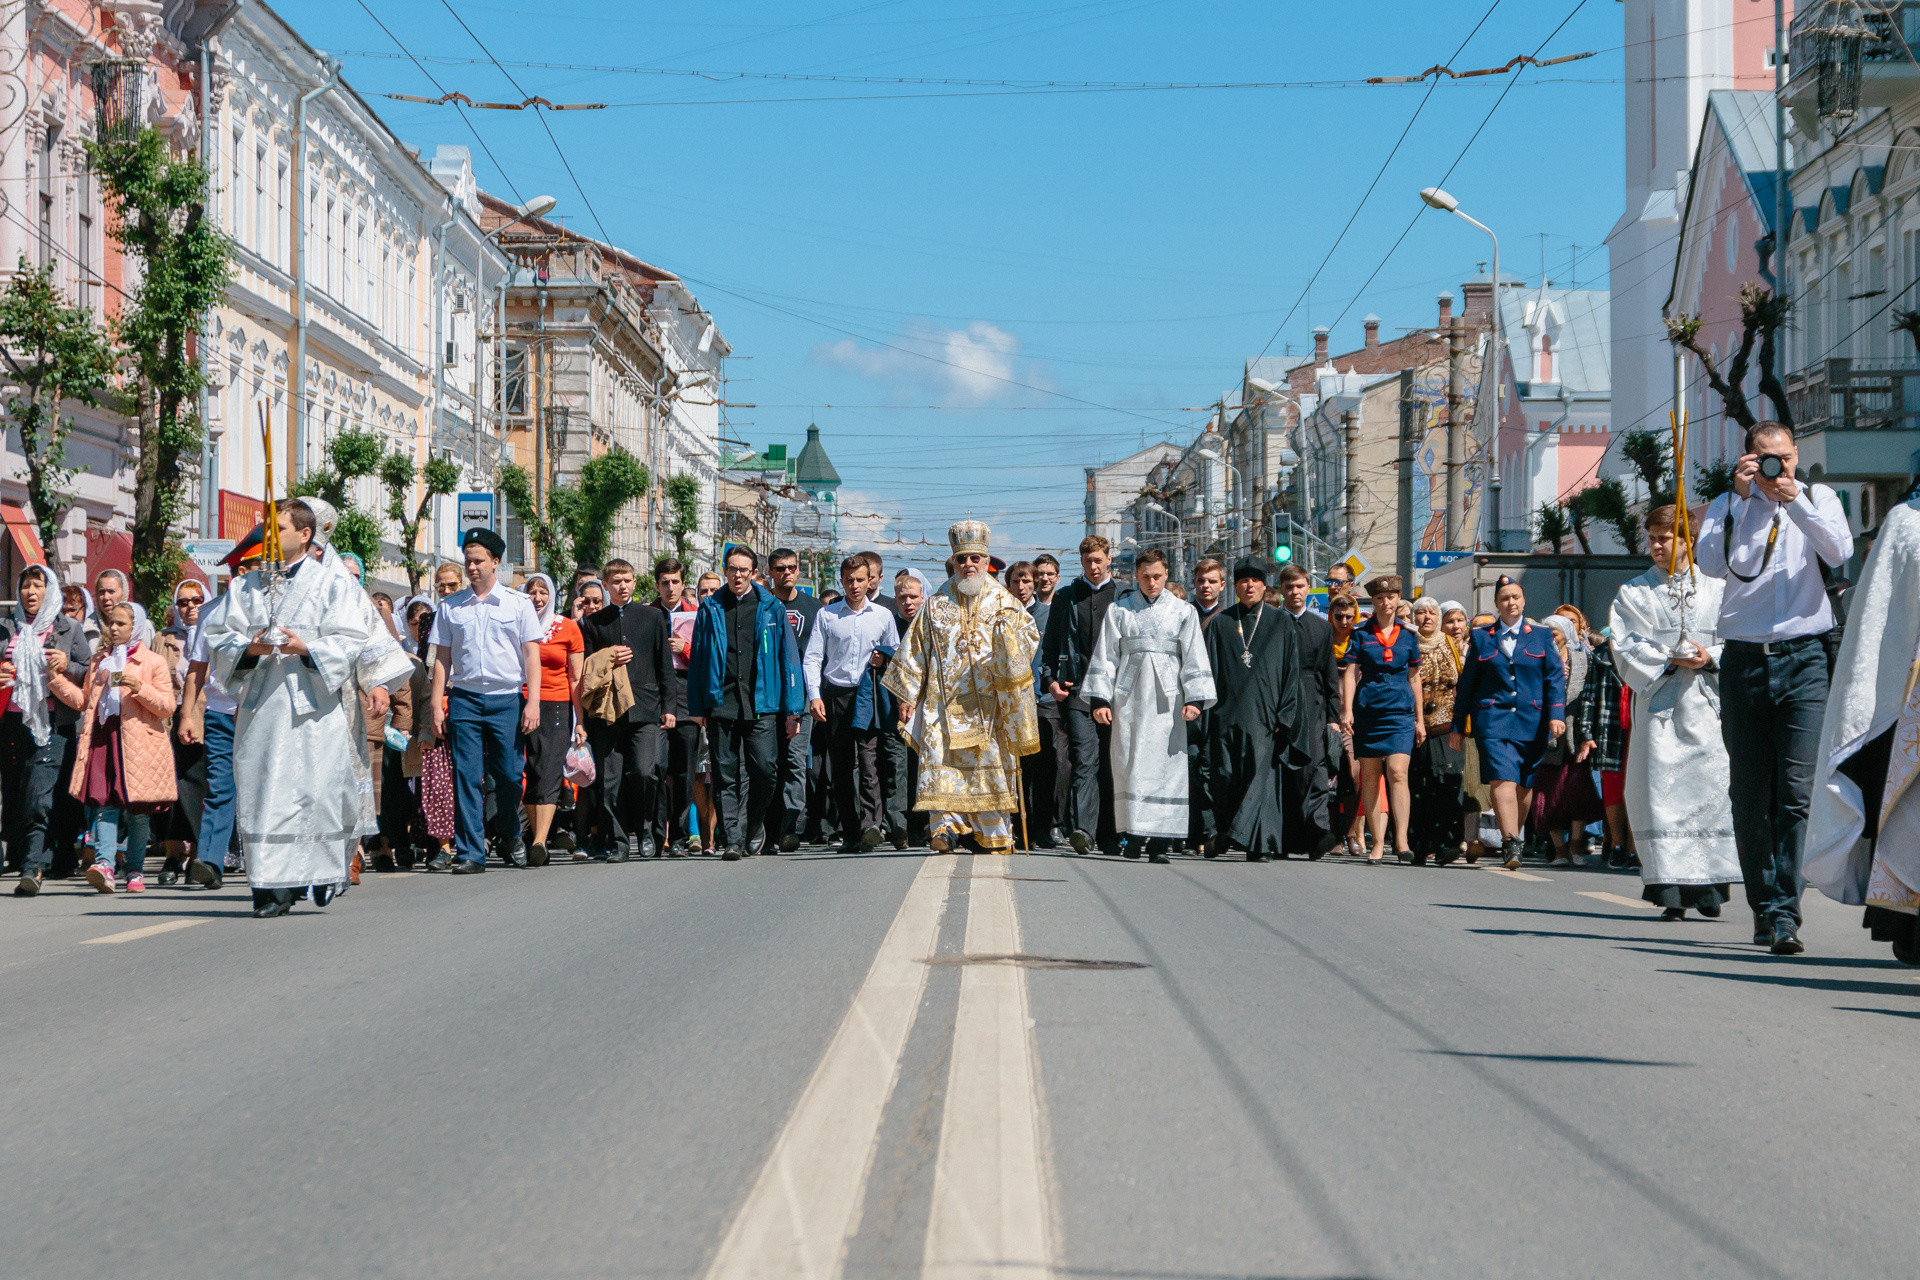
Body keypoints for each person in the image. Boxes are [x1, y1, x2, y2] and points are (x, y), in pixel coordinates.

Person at [1693, 421, 1852, 955]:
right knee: (1749, 793)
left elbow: (1838, 551)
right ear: (1746, 461)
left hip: (1806, 657)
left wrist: (1794, 499)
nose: (1775, 469)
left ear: (1795, 455)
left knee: (1796, 792)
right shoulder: (1728, 506)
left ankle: (1786, 910)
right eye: (1765, 459)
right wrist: (1739, 501)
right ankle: (1764, 905)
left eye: (1784, 458)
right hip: (1744, 660)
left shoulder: (1818, 496)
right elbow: (1710, 563)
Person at [202, 500, 393, 916]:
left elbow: (353, 636)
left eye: (279, 528)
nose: (269, 536)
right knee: (264, 790)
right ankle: (267, 886)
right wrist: (250, 646)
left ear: (306, 534)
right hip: (262, 708)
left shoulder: (334, 584)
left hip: (315, 707)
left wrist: (306, 647)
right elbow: (219, 636)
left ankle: (318, 871)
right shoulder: (246, 586)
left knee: (315, 791)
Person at [1611, 506, 1739, 919]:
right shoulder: (1634, 592)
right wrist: (1670, 657)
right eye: (1651, 538)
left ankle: (1709, 890)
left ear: (1689, 541)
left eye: (1665, 538)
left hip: (1707, 707)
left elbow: (1737, 639)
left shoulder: (1719, 591)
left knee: (1707, 794)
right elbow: (1625, 644)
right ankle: (1671, 893)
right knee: (1663, 797)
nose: (1656, 546)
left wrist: (1710, 655)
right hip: (1661, 710)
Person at [882, 521, 1039, 854]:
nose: (968, 564)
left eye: (974, 559)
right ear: (954, 562)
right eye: (962, 559)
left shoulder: (1005, 602)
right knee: (942, 763)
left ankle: (992, 834)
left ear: (985, 562)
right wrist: (907, 695)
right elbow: (915, 649)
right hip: (943, 703)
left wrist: (1008, 638)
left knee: (987, 770)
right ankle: (945, 829)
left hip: (990, 707)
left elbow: (1029, 639)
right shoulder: (937, 603)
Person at [1082, 549, 1214, 862]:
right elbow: (1106, 656)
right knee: (1131, 764)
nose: (1151, 582)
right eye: (1145, 577)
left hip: (1169, 701)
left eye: (1157, 576)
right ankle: (1134, 836)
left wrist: (1195, 698)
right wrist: (1101, 699)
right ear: (1136, 576)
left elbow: (1193, 655)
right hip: (1129, 700)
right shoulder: (1120, 610)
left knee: (1167, 768)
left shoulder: (1184, 611)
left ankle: (1160, 842)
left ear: (1166, 574)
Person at [426, 528, 543, 874]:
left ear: (495, 562)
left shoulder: (517, 604)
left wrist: (533, 702)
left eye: (478, 561)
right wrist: (436, 704)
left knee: (508, 775)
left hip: (506, 699)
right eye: (468, 561)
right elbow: (442, 658)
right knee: (467, 776)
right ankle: (471, 853)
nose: (472, 567)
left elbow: (531, 656)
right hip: (465, 700)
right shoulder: (450, 606)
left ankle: (510, 834)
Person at [688, 546, 804, 861]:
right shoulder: (710, 607)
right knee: (724, 775)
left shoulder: (771, 607)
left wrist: (793, 709)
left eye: (744, 570)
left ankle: (754, 825)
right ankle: (732, 840)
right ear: (725, 570)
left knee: (765, 770)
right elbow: (698, 658)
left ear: (754, 573)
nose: (737, 575)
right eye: (732, 569)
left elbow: (788, 660)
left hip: (762, 704)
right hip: (721, 702)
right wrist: (697, 707)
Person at [1449, 576, 1567, 871]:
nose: (1511, 602)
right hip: (1492, 720)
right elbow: (1467, 685)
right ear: (1497, 604)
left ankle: (1515, 835)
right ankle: (1510, 841)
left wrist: (1556, 714)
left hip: (1532, 720)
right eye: (1505, 598)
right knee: (1503, 778)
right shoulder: (1481, 637)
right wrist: (1457, 724)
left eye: (1515, 597)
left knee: (1524, 786)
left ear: (1523, 601)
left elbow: (1553, 678)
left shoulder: (1540, 636)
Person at [70, 601, 176, 893]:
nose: (113, 628)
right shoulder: (99, 660)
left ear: (136, 627)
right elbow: (84, 699)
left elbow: (168, 706)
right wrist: (54, 680)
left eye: (121, 624)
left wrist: (139, 688)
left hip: (139, 741)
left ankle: (135, 870)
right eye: (111, 623)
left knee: (138, 810)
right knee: (104, 803)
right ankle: (105, 865)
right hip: (105, 735)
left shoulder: (152, 662)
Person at [1201, 560, 1302, 861]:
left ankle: (1259, 843)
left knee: (1261, 779)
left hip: (1265, 715)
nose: (1249, 586)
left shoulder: (1281, 622)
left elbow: (1291, 672)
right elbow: (1209, 672)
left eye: (1255, 581)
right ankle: (1226, 831)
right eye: (1242, 581)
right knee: (1225, 776)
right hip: (1225, 714)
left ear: (1264, 585)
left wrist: (1285, 715)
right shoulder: (1221, 623)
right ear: (1234, 586)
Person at [804, 552, 900, 853]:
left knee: (869, 760)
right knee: (841, 767)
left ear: (869, 579)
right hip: (836, 694)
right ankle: (850, 831)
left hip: (868, 693)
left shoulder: (882, 615)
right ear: (841, 582)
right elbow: (813, 657)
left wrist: (884, 656)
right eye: (849, 581)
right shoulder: (828, 615)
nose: (855, 586)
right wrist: (815, 695)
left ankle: (871, 824)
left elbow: (897, 654)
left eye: (860, 579)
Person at [580, 558, 676, 862]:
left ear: (635, 583)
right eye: (616, 581)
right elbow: (585, 667)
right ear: (606, 586)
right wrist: (608, 655)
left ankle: (646, 830)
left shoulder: (652, 617)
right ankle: (619, 842)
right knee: (610, 782)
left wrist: (668, 707)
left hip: (646, 709)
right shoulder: (595, 622)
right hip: (608, 713)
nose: (622, 586)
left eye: (628, 580)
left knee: (646, 772)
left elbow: (665, 665)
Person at [4, 565, 91, 896]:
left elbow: (87, 669)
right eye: (25, 585)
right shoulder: (6, 626)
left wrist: (66, 665)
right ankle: (31, 854)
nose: (30, 592)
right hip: (11, 721)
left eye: (37, 585)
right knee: (17, 793)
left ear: (49, 590)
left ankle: (33, 866)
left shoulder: (68, 628)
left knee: (40, 795)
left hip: (53, 723)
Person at [1042, 535, 1119, 854]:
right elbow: (1050, 646)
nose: (1093, 566)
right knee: (1084, 760)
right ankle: (1084, 831)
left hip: (1116, 694)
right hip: (1077, 692)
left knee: (1112, 764)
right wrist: (1051, 682)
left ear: (1109, 559)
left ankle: (1112, 835)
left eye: (1098, 560)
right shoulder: (1067, 597)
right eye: (1088, 561)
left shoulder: (1124, 595)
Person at [1339, 575, 1423, 863]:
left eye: (1391, 597)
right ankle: (1376, 843)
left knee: (1398, 772)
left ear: (1399, 599)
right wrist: (1347, 710)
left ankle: (1401, 841)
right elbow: (1350, 673)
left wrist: (1420, 719)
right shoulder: (1361, 633)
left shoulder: (1410, 635)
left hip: (1399, 712)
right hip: (1369, 710)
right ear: (1372, 602)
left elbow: (1414, 678)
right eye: (1379, 598)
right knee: (1371, 777)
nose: (1386, 603)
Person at [519, 573, 586, 867]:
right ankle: (537, 836)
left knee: (548, 770)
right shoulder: (516, 624)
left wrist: (580, 719)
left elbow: (576, 679)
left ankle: (539, 841)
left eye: (543, 591)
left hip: (556, 704)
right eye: (531, 591)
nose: (537, 597)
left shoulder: (567, 627)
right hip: (520, 702)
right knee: (530, 770)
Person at [1528, 614, 1604, 866]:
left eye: (1555, 630)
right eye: (1545, 630)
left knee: (1576, 794)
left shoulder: (1584, 659)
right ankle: (1559, 850)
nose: (1550, 634)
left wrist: (1586, 736)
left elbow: (1589, 697)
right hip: (1546, 736)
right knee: (1547, 796)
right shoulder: (1535, 659)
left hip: (1574, 734)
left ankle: (1576, 846)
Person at [1276, 563, 1340, 857]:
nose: (1295, 592)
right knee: (1286, 773)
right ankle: (1285, 838)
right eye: (1289, 587)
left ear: (1308, 588)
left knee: (1315, 770)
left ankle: (1316, 834)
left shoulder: (1322, 627)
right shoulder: (1273, 624)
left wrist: (1334, 718)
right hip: (1280, 705)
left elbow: (1329, 675)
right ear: (1281, 591)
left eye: (1300, 586)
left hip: (1313, 703)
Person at [765, 548, 824, 853]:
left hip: (801, 698)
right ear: (770, 572)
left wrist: (814, 696)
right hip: (768, 698)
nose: (786, 572)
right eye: (779, 568)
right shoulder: (764, 605)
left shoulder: (814, 608)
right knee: (767, 763)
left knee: (795, 761)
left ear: (798, 570)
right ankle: (766, 824)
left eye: (791, 567)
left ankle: (791, 824)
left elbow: (819, 656)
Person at [1408, 596, 1466, 865]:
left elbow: (1461, 681)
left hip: (1446, 725)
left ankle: (1448, 842)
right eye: (1421, 612)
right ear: (1413, 617)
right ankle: (1419, 844)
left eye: (1432, 612)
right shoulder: (1406, 643)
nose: (1427, 617)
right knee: (1419, 786)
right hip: (1413, 726)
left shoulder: (1451, 644)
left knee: (1447, 782)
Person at [653, 559, 702, 854]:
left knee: (685, 772)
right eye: (664, 582)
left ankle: (682, 836)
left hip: (686, 699)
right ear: (657, 584)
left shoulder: (697, 614)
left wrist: (685, 649)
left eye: (675, 581)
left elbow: (711, 659)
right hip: (655, 700)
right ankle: (658, 835)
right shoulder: (648, 614)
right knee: (655, 769)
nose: (670, 587)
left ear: (683, 584)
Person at [1025, 554, 1069, 849]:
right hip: (1032, 696)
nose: (1044, 578)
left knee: (1061, 763)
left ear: (1057, 576)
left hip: (1059, 695)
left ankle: (1059, 822)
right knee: (1036, 765)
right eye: (1039, 574)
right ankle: (1036, 825)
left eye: (1049, 573)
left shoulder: (1065, 607)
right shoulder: (1029, 612)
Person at [1327, 593, 1366, 856]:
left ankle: (1352, 833)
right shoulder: (1323, 639)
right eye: (1338, 616)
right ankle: (1333, 835)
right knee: (1329, 777)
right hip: (1327, 715)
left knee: (1354, 775)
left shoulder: (1360, 640)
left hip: (1355, 718)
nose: (1344, 622)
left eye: (1349, 617)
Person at [1192, 558, 1226, 625]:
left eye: (1212, 581)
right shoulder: (1183, 614)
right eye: (1201, 581)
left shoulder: (1227, 619)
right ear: (1194, 583)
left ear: (1222, 585)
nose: (1206, 585)